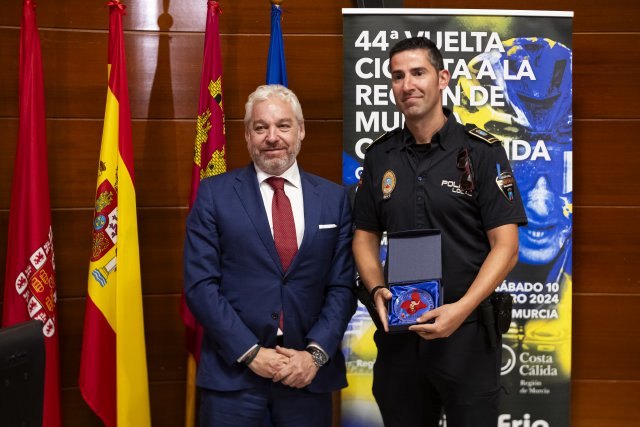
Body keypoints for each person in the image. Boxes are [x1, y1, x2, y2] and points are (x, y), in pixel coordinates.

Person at [352, 37, 528, 427]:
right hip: (400, 335)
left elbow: (507, 247)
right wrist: (378, 288)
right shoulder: (380, 155)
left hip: (465, 334)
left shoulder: (481, 152)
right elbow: (364, 236)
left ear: (442, 78)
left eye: (418, 73)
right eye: (398, 76)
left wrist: (460, 310)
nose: (407, 85)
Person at [184, 84, 356, 427]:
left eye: (284, 125)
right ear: (248, 136)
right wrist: (250, 353)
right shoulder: (214, 195)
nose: (272, 137)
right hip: (234, 379)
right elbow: (200, 286)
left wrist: (314, 355)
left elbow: (342, 287)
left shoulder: (335, 199)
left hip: (306, 378)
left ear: (301, 130)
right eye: (261, 127)